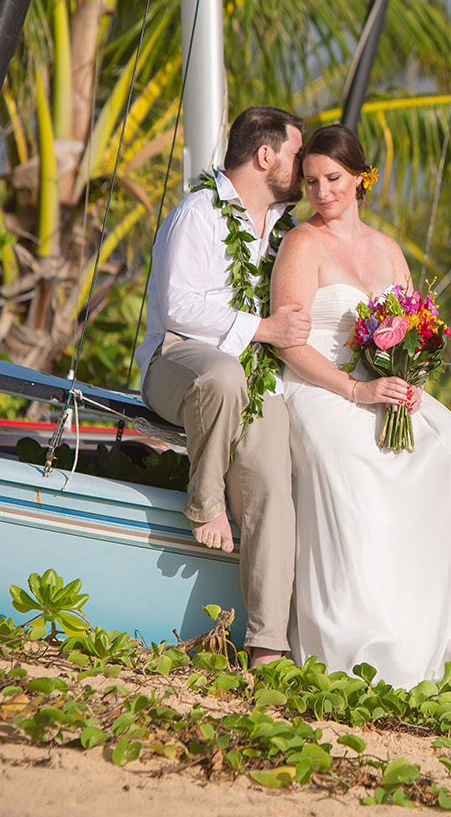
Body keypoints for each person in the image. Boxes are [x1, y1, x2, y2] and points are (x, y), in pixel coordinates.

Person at [269, 124, 451, 691]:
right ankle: (362, 646)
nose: (321, 192)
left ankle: (444, 643)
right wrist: (357, 391)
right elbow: (289, 342)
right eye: (310, 181)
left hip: (389, 391)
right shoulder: (300, 244)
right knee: (351, 471)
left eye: (332, 178)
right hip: (325, 390)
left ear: (360, 177)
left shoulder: (388, 249)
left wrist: (407, 378)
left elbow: (416, 325)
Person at [136, 106, 311, 669]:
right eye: (297, 154)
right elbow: (181, 303)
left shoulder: (280, 231)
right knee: (222, 373)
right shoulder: (200, 213)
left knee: (271, 489)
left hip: (250, 380)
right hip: (177, 364)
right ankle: (205, 501)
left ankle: (266, 646)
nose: (303, 166)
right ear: (266, 156)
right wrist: (263, 329)